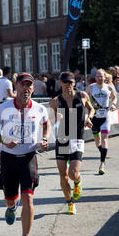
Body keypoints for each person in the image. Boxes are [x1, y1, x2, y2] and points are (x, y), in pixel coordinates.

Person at [0, 72, 52, 236]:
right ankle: (11, 207)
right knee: (10, 198)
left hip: (28, 157)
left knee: (28, 198)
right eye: (23, 85)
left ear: (33, 88)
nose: (27, 88)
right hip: (8, 158)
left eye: (29, 85)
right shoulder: (4, 108)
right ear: (16, 87)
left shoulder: (39, 109)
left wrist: (45, 139)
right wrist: (4, 141)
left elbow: (46, 126)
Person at [49, 71, 94, 215]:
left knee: (73, 173)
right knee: (63, 175)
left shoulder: (82, 96)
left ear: (74, 83)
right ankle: (70, 203)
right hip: (62, 139)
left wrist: (89, 118)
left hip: (77, 138)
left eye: (71, 82)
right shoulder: (55, 101)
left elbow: (91, 108)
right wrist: (55, 116)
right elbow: (48, 120)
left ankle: (77, 182)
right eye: (66, 82)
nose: (68, 85)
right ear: (60, 83)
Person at [87, 69, 118, 175]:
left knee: (104, 139)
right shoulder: (91, 87)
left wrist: (113, 104)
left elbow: (114, 98)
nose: (100, 78)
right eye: (98, 76)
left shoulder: (109, 87)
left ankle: (102, 164)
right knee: (97, 141)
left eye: (102, 76)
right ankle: (102, 152)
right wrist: (91, 104)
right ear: (95, 77)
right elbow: (85, 99)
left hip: (106, 116)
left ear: (105, 77)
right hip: (95, 117)